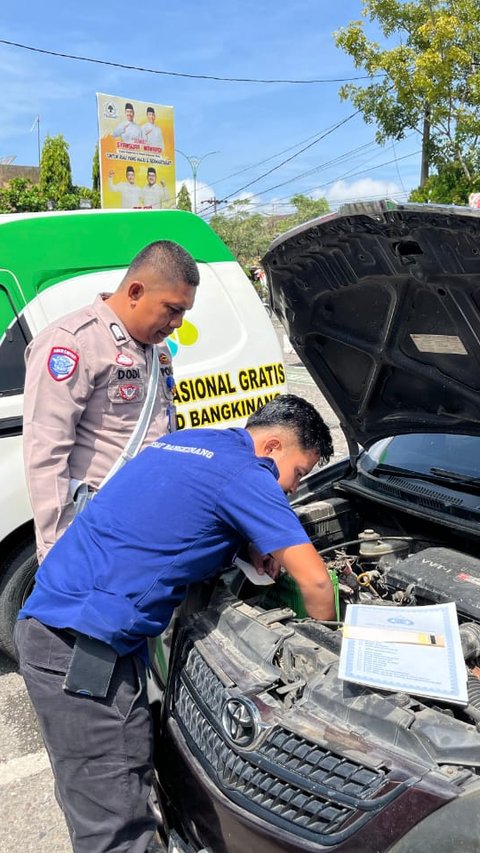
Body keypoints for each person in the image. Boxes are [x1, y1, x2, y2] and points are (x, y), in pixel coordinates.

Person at [16, 394, 335, 853]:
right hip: (81, 653)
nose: (293, 491)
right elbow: (318, 585)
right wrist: (323, 660)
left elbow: (177, 515)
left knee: (102, 793)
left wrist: (244, 544)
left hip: (62, 626)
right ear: (271, 448)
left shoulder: (190, 442)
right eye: (299, 474)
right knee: (116, 824)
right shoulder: (250, 473)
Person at [23, 240, 199, 563]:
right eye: (173, 309)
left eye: (184, 313)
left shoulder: (155, 350)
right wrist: (58, 551)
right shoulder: (72, 342)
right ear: (135, 292)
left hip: (149, 519)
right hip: (97, 526)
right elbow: (46, 453)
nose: (178, 324)